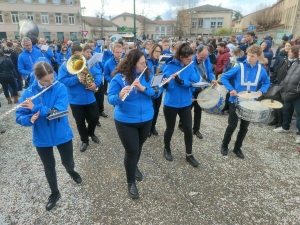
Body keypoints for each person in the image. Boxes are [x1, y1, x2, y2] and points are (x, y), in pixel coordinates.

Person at [16, 61, 82, 211]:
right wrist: (29, 119)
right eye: (46, 80)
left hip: (62, 134)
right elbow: (19, 116)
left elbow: (59, 111)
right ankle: (55, 193)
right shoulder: (29, 93)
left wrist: (37, 108)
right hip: (42, 137)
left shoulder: (60, 88)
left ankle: (71, 171)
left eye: (52, 78)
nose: (50, 82)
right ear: (37, 78)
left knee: (68, 162)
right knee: (49, 166)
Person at [107, 49, 163, 199]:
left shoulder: (148, 75)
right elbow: (111, 99)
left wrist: (143, 88)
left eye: (145, 62)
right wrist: (119, 96)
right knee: (132, 151)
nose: (146, 65)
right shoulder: (119, 78)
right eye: (142, 63)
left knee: (138, 147)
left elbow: (157, 92)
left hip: (146, 119)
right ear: (133, 63)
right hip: (125, 121)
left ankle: (134, 166)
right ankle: (130, 182)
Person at [220, 44, 270, 159]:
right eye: (248, 55)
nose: (249, 58)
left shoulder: (261, 70)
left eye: (252, 56)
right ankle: (224, 145)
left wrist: (261, 91)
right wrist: (231, 89)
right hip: (235, 101)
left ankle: (237, 148)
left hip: (250, 103)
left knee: (244, 128)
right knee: (232, 125)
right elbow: (224, 77)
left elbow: (267, 82)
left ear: (258, 57)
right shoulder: (239, 67)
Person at [162, 42, 200, 167]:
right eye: (188, 59)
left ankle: (189, 154)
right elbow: (163, 84)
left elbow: (195, 81)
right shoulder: (169, 66)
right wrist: (166, 84)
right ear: (180, 58)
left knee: (188, 129)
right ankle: (167, 149)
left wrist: (181, 81)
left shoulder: (191, 66)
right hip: (170, 103)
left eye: (191, 59)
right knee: (170, 129)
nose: (190, 61)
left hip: (185, 103)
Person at [58, 45, 101, 152]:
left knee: (95, 117)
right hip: (75, 100)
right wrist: (76, 79)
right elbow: (62, 80)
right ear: (72, 54)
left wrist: (95, 84)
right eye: (78, 55)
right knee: (80, 121)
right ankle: (84, 140)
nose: (81, 57)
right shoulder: (65, 66)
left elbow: (98, 74)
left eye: (82, 55)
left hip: (90, 98)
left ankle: (90, 132)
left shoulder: (87, 63)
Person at [273, 46, 300, 144]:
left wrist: (297, 90)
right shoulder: (296, 63)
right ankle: (285, 127)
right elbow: (288, 76)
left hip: (297, 94)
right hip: (289, 92)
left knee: (299, 114)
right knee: (286, 110)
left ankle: (299, 134)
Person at [190, 46, 217, 138]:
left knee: (198, 110)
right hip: (192, 88)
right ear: (196, 53)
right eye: (202, 57)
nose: (203, 59)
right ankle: (182, 125)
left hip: (202, 88)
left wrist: (212, 79)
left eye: (205, 57)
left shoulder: (206, 59)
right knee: (188, 108)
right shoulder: (190, 61)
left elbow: (209, 71)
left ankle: (196, 129)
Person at [147, 43, 163, 136]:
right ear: (152, 51)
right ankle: (148, 128)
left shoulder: (160, 62)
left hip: (158, 88)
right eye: (156, 51)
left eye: (160, 52)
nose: (158, 53)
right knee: (151, 109)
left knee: (156, 109)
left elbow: (163, 73)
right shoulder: (146, 60)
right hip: (150, 89)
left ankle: (153, 127)